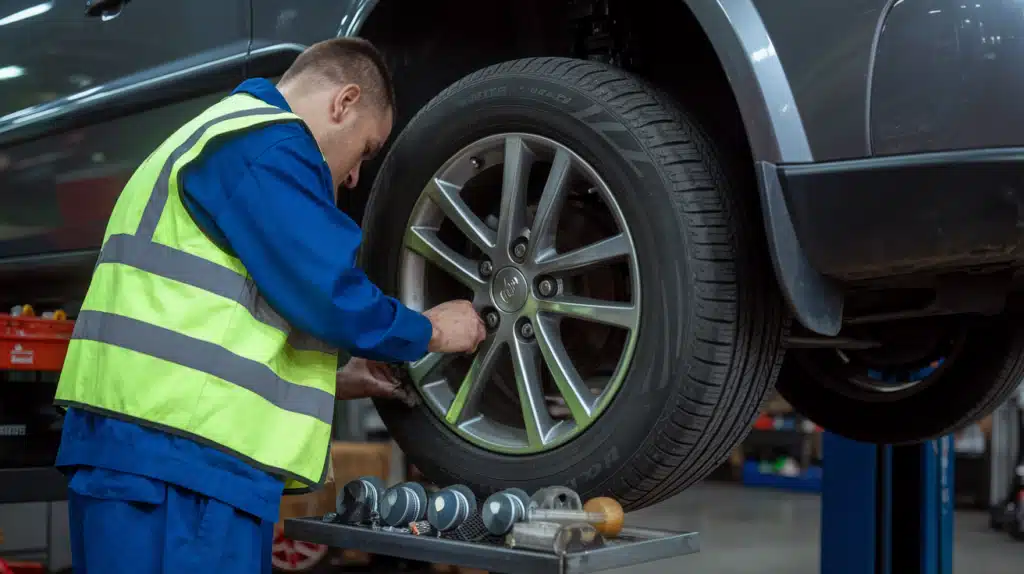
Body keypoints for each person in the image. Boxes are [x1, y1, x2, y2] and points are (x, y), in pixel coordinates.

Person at [52, 38, 486, 573]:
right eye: (367, 149)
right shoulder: (266, 144)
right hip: (180, 474)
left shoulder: (216, 134)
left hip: (144, 459)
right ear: (343, 102)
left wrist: (336, 375)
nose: (354, 177)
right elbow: (328, 295)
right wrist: (430, 331)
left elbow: (216, 316)